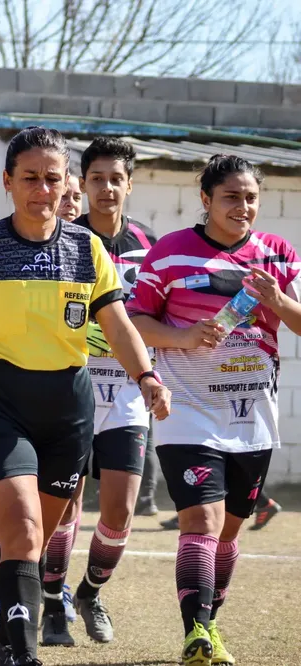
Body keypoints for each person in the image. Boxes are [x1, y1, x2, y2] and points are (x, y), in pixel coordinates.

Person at [0, 126, 170, 666]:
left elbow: (119, 322)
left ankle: (0, 645)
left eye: (52, 179)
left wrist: (147, 377)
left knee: (35, 541)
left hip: (67, 408)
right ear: (8, 181)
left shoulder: (88, 250)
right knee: (24, 526)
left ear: (68, 185)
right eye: (30, 178)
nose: (41, 189)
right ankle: (26, 656)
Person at [127, 154, 300, 666]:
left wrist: (279, 300)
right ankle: (196, 635)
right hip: (188, 412)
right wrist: (180, 336)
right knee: (200, 520)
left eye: (250, 197)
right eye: (231, 196)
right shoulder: (169, 253)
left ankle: (211, 626)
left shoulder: (278, 253)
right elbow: (135, 321)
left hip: (252, 418)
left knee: (227, 531)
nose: (243, 206)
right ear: (206, 199)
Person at [41, 137, 159, 647]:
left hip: (129, 393)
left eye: (116, 179)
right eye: (96, 179)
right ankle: (51, 603)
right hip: (71, 387)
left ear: (129, 185)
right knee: (65, 505)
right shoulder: (61, 239)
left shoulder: (153, 246)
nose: (106, 188)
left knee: (119, 510)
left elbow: (156, 316)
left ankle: (89, 592)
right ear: (81, 185)